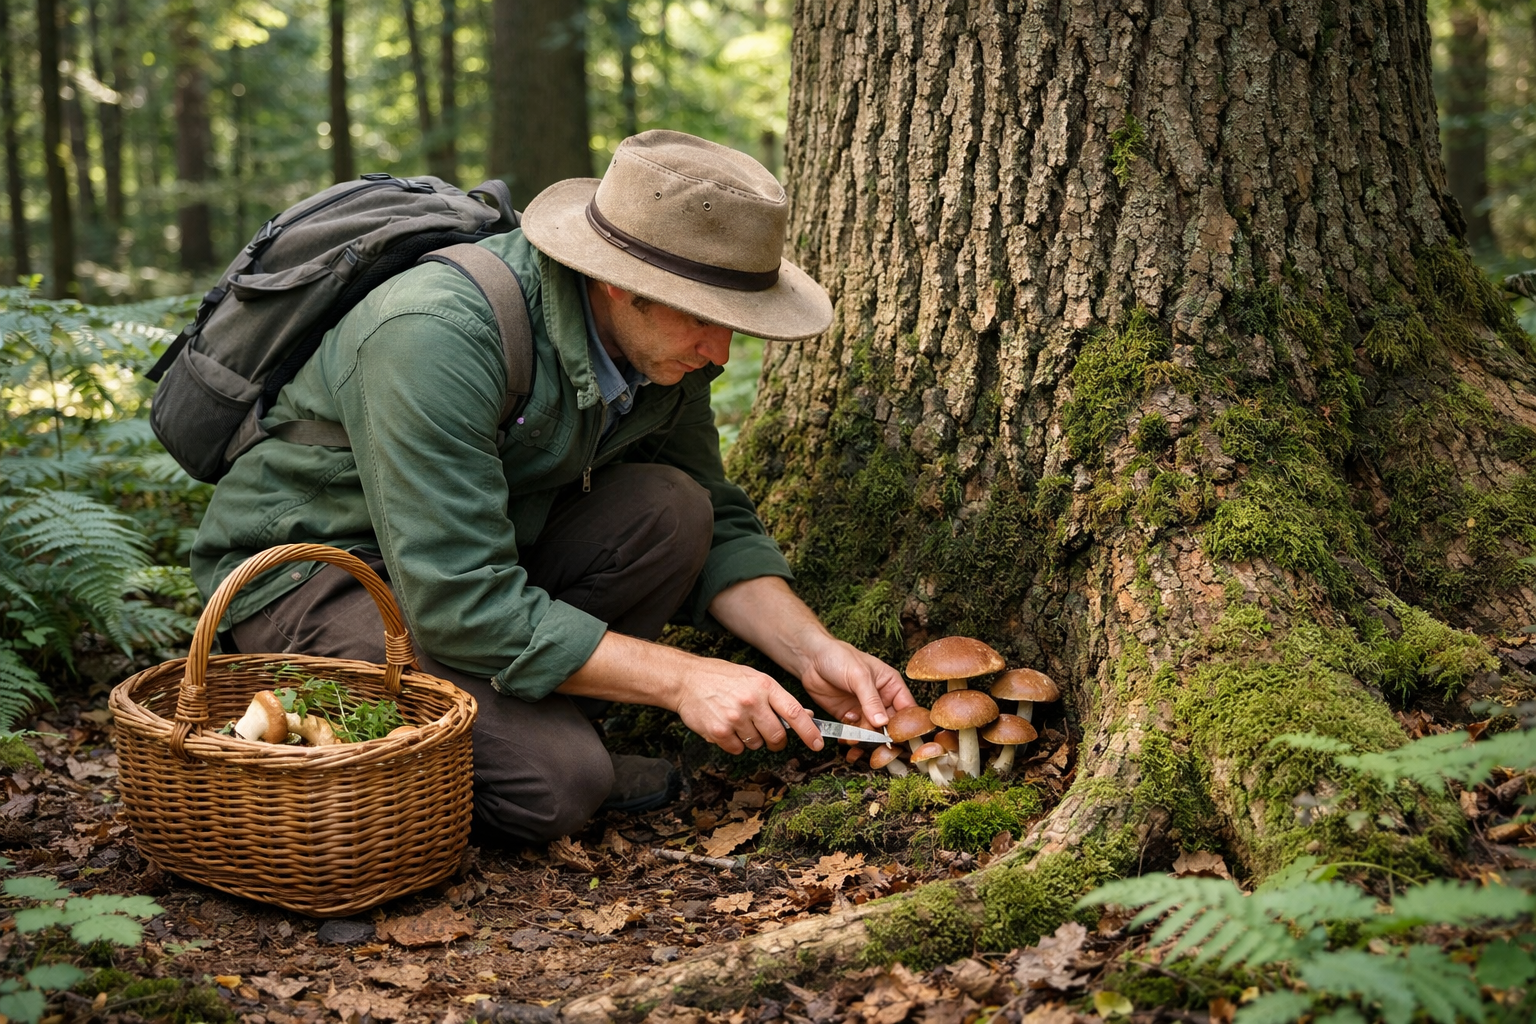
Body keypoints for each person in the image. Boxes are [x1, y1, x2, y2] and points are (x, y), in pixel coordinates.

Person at [189, 130, 914, 843]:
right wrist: (682, 680)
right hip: (315, 574)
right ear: (616, 281)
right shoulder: (433, 333)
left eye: (734, 322)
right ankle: (522, 749)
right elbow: (463, 603)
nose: (718, 351)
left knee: (673, 509)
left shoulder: (662, 353)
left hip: (468, 559)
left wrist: (812, 649)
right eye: (700, 316)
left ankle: (518, 723)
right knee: (559, 784)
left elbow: (715, 517)